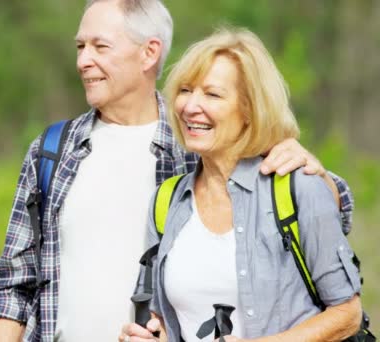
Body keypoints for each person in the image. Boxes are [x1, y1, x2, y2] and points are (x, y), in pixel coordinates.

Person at [0, 1, 355, 341]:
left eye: (100, 46)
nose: (83, 60)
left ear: (149, 52)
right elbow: (14, 280)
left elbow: (329, 210)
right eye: (80, 47)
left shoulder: (199, 144)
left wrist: (311, 167)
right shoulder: (53, 151)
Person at [119, 28, 362, 342]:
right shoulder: (166, 201)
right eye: (185, 90)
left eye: (212, 94)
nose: (190, 106)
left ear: (249, 109)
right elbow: (161, 321)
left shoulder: (299, 188)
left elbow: (347, 314)